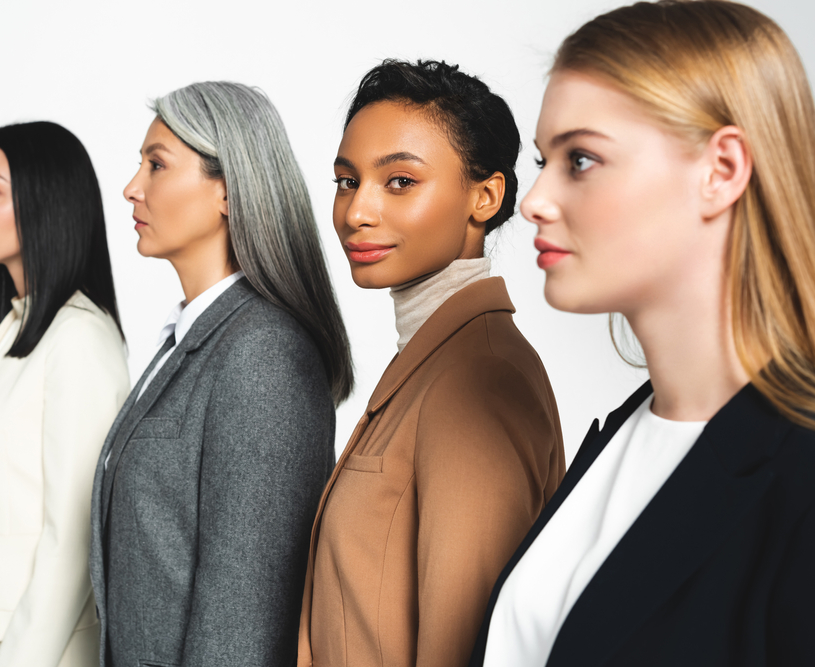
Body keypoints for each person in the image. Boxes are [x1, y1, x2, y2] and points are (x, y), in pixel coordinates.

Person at [470, 2, 815, 665]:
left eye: (581, 160)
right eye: (545, 159)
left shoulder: (798, 477)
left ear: (722, 171)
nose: (534, 200)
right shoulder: (625, 436)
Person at [297, 60, 565, 667]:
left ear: (486, 196)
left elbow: (464, 648)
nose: (356, 212)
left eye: (399, 182)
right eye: (347, 181)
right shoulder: (432, 361)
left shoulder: (480, 381)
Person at [89, 81, 353, 667]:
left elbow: (245, 614)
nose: (132, 188)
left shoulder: (264, 352)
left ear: (229, 191)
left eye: (156, 165)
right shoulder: (193, 337)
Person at [0, 121, 130, 667]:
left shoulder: (80, 340)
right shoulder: (17, 329)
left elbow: (73, 534)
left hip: (43, 651)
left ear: (46, 201)